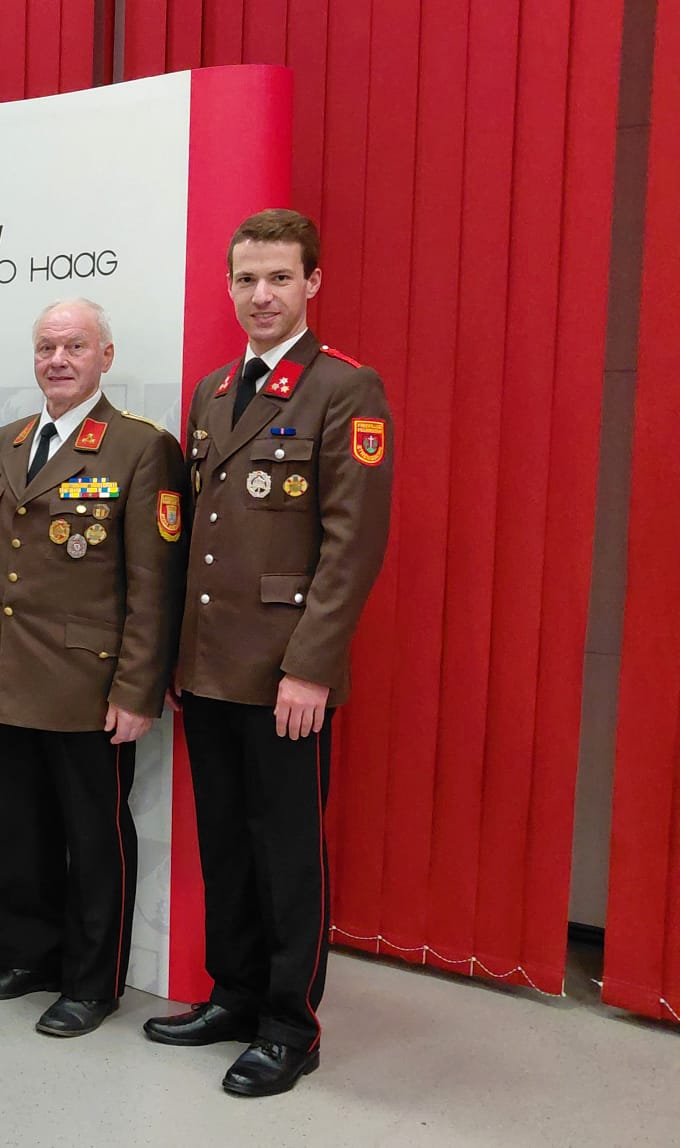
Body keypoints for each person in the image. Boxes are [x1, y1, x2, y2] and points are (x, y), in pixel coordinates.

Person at [146, 209, 394, 1097]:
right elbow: (198, 540)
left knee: (287, 852)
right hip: (212, 666)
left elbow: (352, 545)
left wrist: (311, 668)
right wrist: (178, 659)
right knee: (225, 845)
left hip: (287, 672)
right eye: (247, 279)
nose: (262, 295)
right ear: (229, 286)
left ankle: (290, 1026)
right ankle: (236, 995)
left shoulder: (344, 389)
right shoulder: (214, 392)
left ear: (311, 283)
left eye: (280, 277)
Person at [0, 299, 185, 1037]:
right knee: (17, 829)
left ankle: (93, 982)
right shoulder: (7, 441)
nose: (57, 360)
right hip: (9, 674)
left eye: (74, 346)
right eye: (46, 347)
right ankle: (29, 957)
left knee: (94, 838)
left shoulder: (140, 448)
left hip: (90, 684)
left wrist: (137, 688)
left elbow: (154, 585)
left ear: (105, 357)